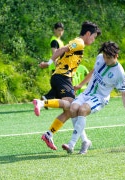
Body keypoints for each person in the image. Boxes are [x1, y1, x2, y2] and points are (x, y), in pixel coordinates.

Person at [32, 21, 101, 153]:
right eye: (93, 37)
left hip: (61, 77)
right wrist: (49, 62)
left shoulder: (79, 44)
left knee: (70, 110)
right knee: (71, 105)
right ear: (87, 33)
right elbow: (61, 49)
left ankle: (49, 134)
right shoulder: (79, 42)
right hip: (62, 77)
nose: (93, 40)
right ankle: (41, 103)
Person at [62, 41, 125, 154]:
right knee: (72, 108)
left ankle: (71, 145)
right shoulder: (100, 57)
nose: (105, 60)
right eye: (104, 56)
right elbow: (93, 71)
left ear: (116, 56)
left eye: (108, 58)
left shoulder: (120, 73)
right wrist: (80, 85)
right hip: (87, 93)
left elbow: (124, 93)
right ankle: (85, 141)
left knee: (82, 110)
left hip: (100, 98)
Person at [42, 22, 64, 100]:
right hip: (56, 66)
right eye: (58, 30)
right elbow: (54, 54)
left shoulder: (59, 41)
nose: (60, 32)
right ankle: (46, 97)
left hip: (60, 65)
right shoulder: (54, 41)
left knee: (59, 85)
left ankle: (54, 99)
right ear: (54, 30)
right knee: (59, 84)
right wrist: (57, 66)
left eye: (61, 30)